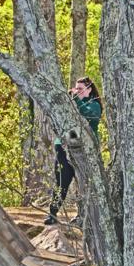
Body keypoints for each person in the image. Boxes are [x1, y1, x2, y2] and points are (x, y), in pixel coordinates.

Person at [44, 77, 102, 225]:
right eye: (76, 89)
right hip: (64, 148)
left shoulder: (93, 104)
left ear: (89, 90)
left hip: (85, 151)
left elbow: (90, 117)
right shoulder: (71, 103)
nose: (77, 92)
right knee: (61, 182)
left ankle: (84, 216)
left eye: (81, 89)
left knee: (85, 184)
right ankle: (53, 214)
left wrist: (76, 100)